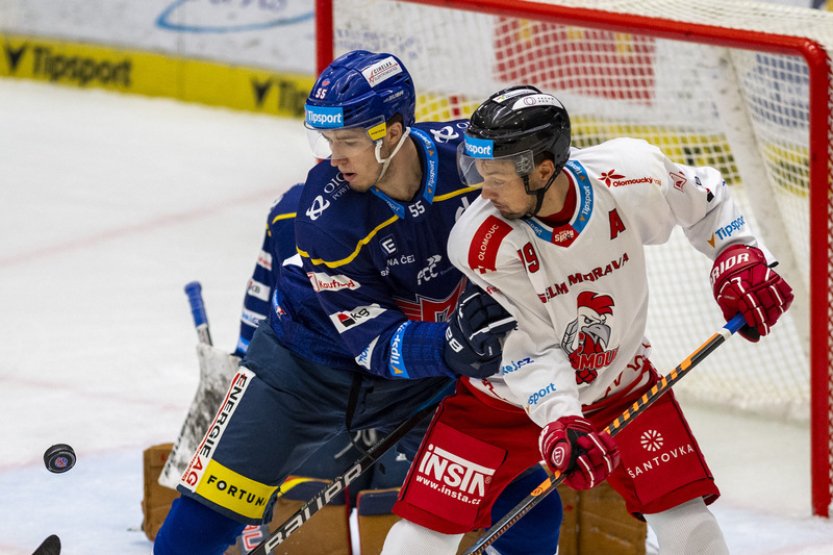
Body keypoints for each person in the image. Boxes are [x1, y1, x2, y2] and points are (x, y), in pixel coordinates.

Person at [153, 53, 563, 555]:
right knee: (197, 526)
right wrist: (453, 343)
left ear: (392, 133)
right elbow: (373, 343)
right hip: (300, 373)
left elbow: (557, 183)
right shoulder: (324, 211)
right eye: (328, 142)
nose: (335, 157)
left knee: (529, 502)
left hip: (423, 382)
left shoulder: (472, 160)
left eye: (348, 141)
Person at [381, 85, 794, 555]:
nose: (484, 191)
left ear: (542, 169)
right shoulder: (480, 241)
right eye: (480, 173)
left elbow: (709, 201)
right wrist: (562, 420)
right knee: (426, 531)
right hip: (499, 401)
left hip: (620, 386)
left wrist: (737, 254)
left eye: (497, 177)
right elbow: (530, 348)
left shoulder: (629, 176)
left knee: (686, 519)